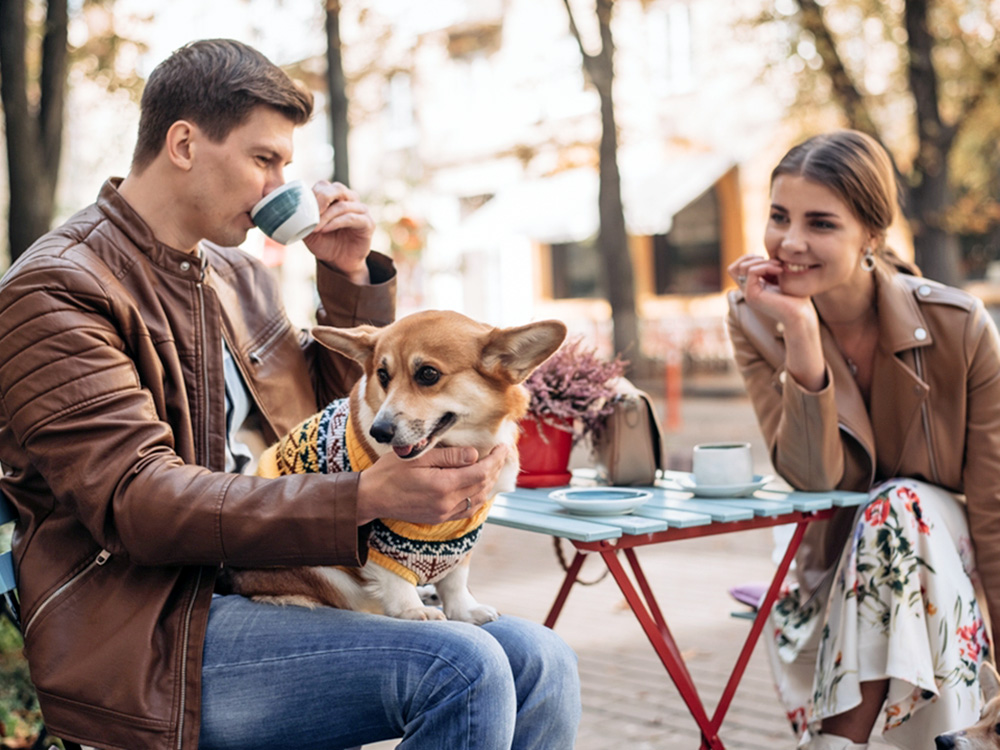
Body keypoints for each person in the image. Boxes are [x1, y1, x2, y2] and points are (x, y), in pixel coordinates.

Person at [0, 39, 580, 750]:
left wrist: (349, 281)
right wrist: (367, 499)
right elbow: (137, 503)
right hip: (152, 631)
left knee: (543, 661)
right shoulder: (56, 291)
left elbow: (321, 424)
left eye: (285, 167)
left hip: (278, 579)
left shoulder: (234, 274)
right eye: (264, 160)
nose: (281, 189)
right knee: (462, 669)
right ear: (184, 143)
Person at [726, 129, 997, 750]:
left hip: (952, 572)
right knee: (891, 509)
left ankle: (834, 743)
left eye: (820, 223)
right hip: (832, 580)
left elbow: (994, 509)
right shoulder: (754, 318)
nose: (789, 243)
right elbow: (812, 476)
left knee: (899, 502)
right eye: (777, 217)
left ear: (871, 235)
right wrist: (799, 331)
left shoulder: (958, 327)